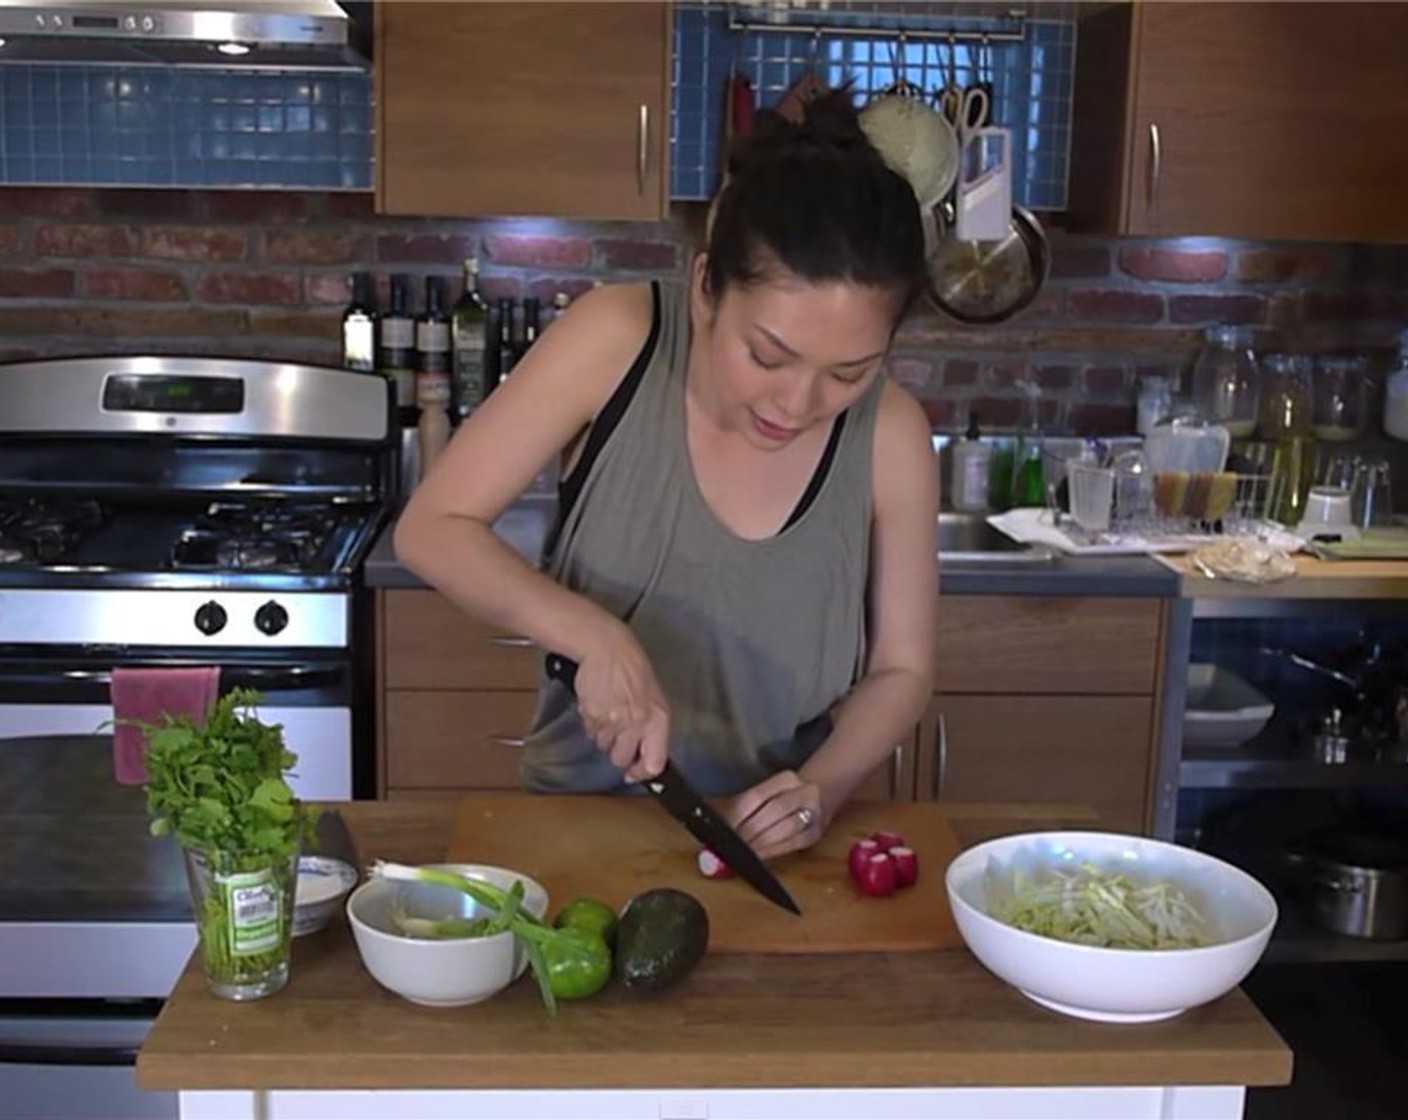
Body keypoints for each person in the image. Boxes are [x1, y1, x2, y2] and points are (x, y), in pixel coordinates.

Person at [394, 89, 939, 863]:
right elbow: (432, 529)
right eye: (768, 356)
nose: (798, 402)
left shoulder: (891, 434)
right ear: (708, 286)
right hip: (579, 826)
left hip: (778, 841)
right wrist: (593, 635)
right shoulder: (617, 339)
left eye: (848, 372)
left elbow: (903, 667)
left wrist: (821, 788)